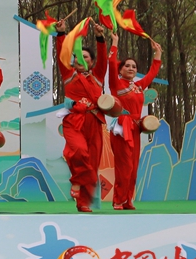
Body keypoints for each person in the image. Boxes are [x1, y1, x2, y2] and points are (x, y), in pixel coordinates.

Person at [55, 18, 108, 213]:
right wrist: (61, 34)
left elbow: (104, 59)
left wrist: (100, 38)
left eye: (86, 57)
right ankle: (77, 181)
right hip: (74, 122)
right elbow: (63, 54)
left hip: (94, 122)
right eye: (78, 57)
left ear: (92, 62)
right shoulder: (69, 75)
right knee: (78, 152)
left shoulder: (98, 77)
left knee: (92, 163)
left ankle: (83, 203)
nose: (81, 59)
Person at [108, 32, 162, 210]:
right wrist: (115, 42)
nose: (131, 68)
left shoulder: (138, 86)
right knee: (124, 166)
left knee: (133, 167)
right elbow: (111, 63)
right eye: (127, 66)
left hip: (136, 129)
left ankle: (127, 200)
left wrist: (157, 53)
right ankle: (118, 200)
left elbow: (152, 73)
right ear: (120, 69)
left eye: (134, 66)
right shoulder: (116, 84)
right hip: (122, 128)